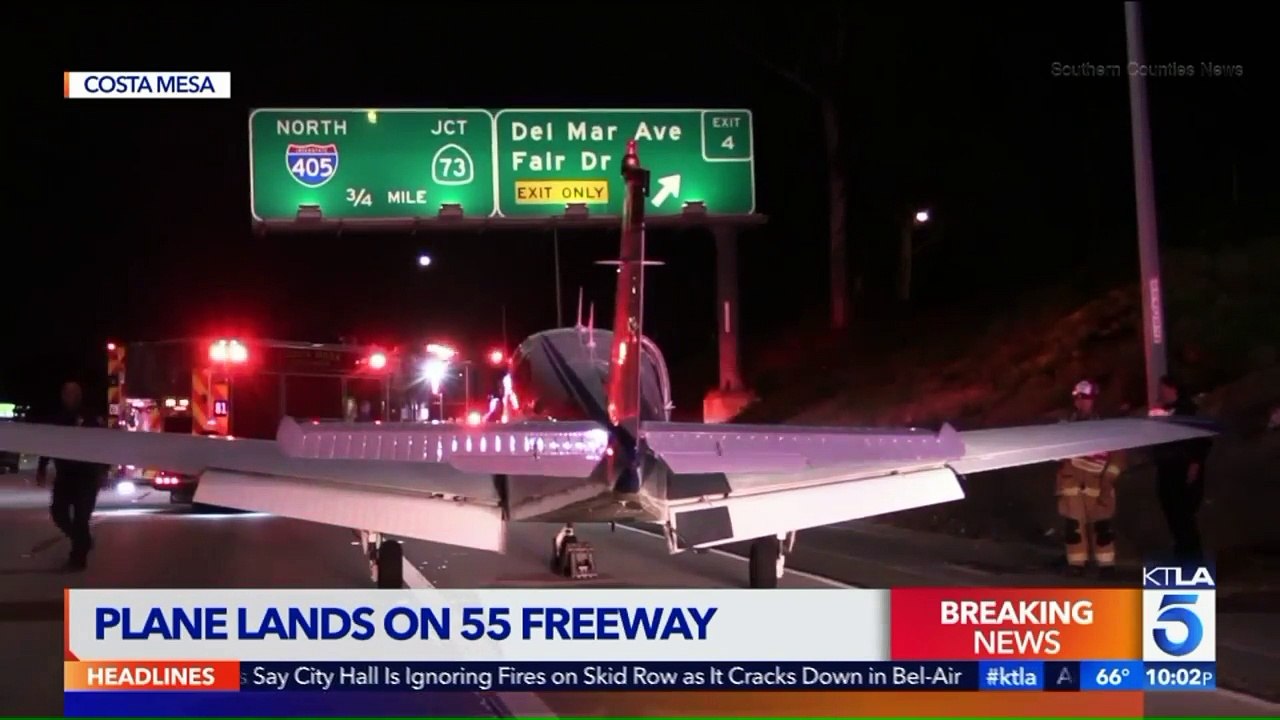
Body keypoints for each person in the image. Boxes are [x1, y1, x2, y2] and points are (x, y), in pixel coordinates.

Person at [1055, 380, 1126, 578]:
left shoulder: (1106, 426)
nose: (1081, 402)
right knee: (1074, 527)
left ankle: (1106, 566)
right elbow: (1057, 453)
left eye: (1085, 398)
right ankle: (1077, 564)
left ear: (1094, 400)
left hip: (1099, 483)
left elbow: (1118, 456)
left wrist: (1107, 481)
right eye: (1078, 398)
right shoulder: (1066, 426)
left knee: (1102, 528)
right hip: (1073, 485)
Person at [35, 381, 108, 571]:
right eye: (66, 393)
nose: (69, 397)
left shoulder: (91, 418)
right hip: (65, 476)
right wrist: (42, 467)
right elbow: (49, 444)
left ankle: (78, 558)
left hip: (86, 477)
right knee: (58, 513)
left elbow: (104, 446)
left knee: (81, 518)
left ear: (79, 395)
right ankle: (82, 540)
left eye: (73, 393)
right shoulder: (58, 419)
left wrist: (104, 471)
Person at [1150, 375, 1212, 562]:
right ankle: (1182, 550)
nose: (1160, 392)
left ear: (1173, 389)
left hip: (1182, 468)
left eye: (1163, 388)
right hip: (1166, 468)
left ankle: (1192, 555)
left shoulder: (1188, 411)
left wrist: (1195, 462)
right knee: (1171, 511)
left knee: (1183, 514)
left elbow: (1202, 440)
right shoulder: (1163, 412)